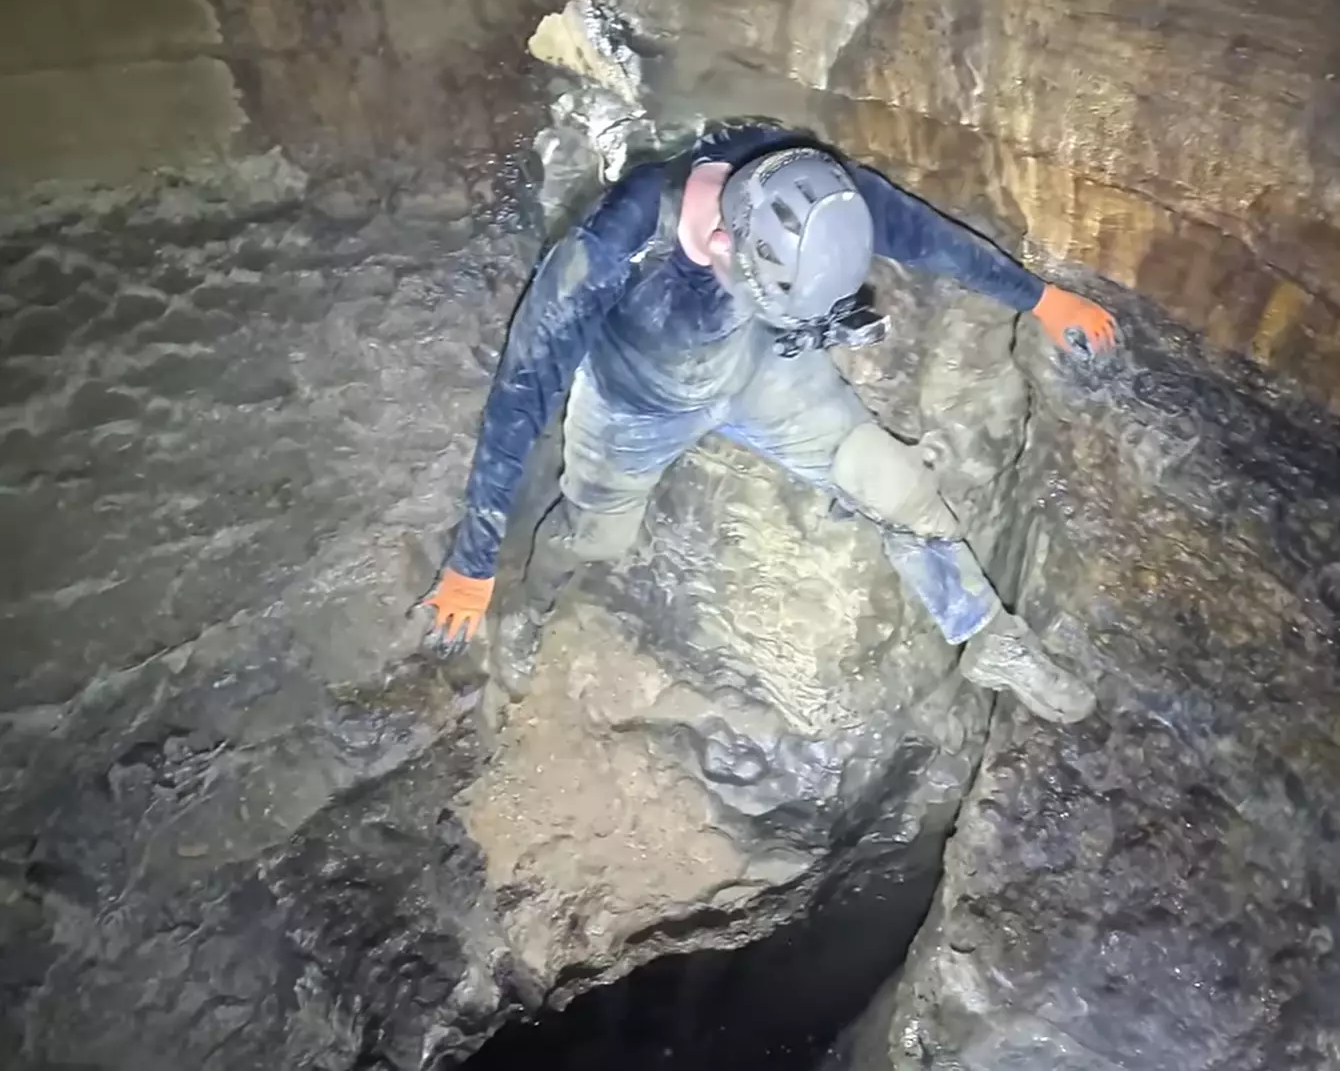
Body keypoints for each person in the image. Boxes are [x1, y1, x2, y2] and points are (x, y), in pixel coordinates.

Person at [420, 121, 1118, 723]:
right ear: (724, 244)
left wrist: (1042, 299)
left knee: (894, 484)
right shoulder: (612, 247)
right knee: (595, 537)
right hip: (636, 401)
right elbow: (522, 391)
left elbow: (926, 237)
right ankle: (529, 612)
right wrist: (473, 562)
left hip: (759, 369)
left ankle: (990, 636)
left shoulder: (802, 183)